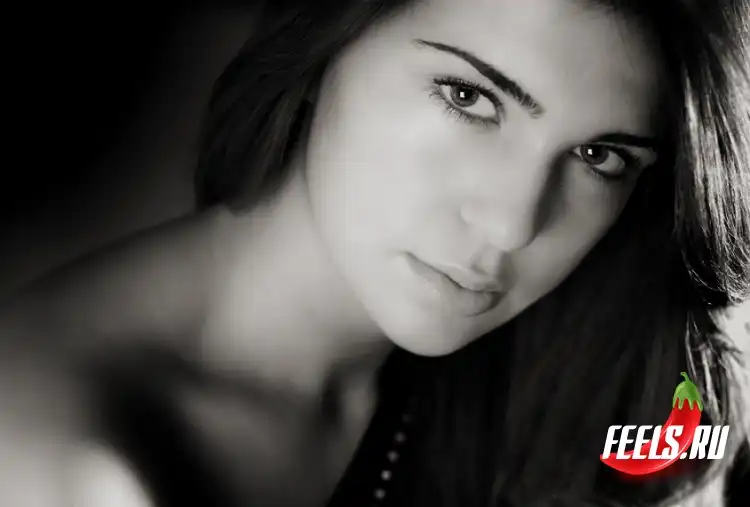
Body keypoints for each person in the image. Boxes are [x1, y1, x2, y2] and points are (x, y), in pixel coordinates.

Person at [1, 0, 749, 506]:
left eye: (598, 156)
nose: (512, 224)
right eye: (467, 98)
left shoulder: (583, 377)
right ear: (326, 37)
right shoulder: (65, 460)